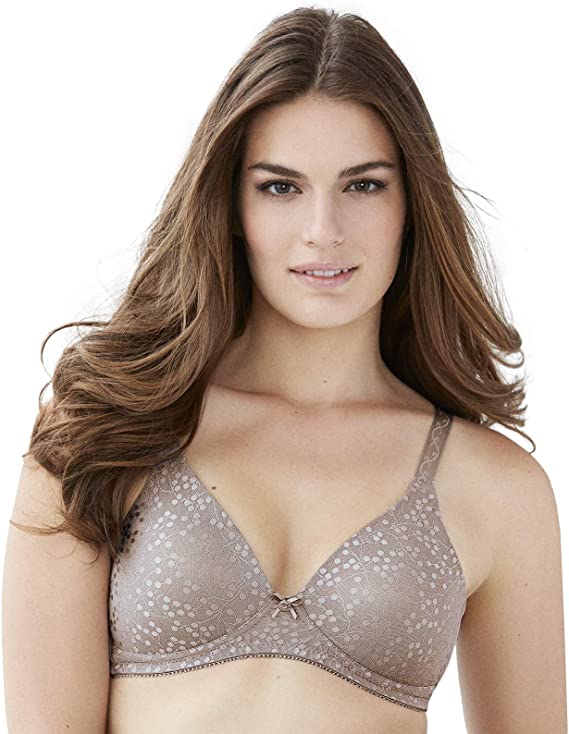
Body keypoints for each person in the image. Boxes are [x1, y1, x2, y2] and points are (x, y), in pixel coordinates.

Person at [2, 6, 566, 734]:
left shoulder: (497, 488)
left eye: (363, 185)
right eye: (280, 187)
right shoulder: (105, 430)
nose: (323, 230)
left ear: (411, 204)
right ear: (231, 205)